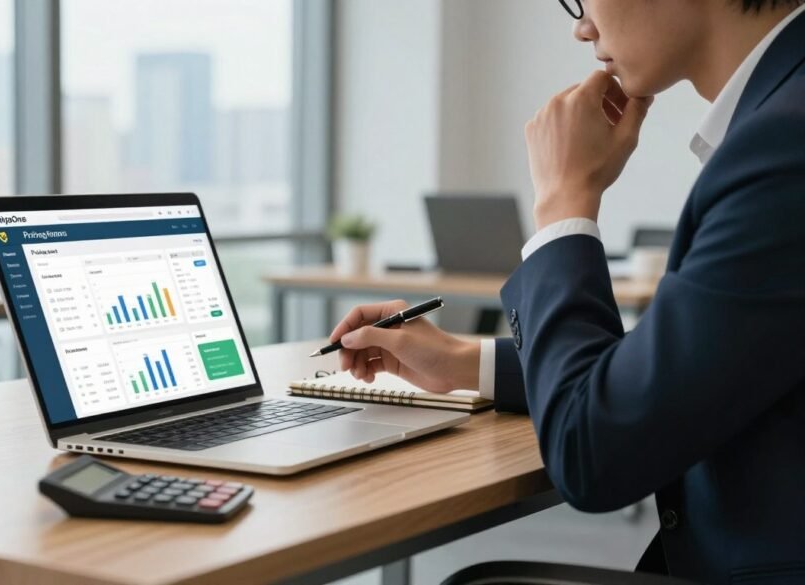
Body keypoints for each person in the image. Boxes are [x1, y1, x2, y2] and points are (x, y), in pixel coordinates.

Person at [330, 0, 805, 582]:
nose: (582, 27)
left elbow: (594, 455)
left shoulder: (786, 144)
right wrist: (462, 362)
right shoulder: (781, 115)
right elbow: (693, 371)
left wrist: (562, 202)